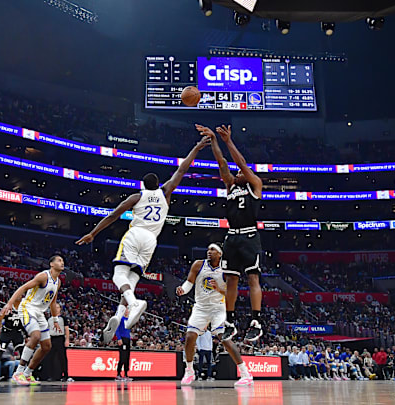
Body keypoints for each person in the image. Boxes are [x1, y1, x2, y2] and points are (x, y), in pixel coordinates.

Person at [76, 136, 212, 342]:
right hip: (151, 240)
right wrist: (197, 147)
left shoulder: (137, 197)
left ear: (143, 184)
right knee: (132, 280)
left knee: (118, 276)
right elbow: (182, 169)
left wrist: (93, 233)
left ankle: (132, 304)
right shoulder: (166, 192)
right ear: (158, 184)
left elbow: (113, 215)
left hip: (135, 233)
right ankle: (118, 315)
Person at [196, 124, 264, 342]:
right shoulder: (231, 187)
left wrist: (228, 141)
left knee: (252, 278)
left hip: (249, 236)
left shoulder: (255, 185)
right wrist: (214, 140)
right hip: (232, 237)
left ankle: (256, 321)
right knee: (231, 280)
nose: (236, 172)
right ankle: (230, 322)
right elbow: (222, 162)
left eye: (240, 171)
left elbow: (240, 163)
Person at [176, 243, 253, 386]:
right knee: (190, 336)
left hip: (218, 308)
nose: (209, 251)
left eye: (213, 250)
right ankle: (189, 371)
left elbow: (232, 294)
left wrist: (218, 288)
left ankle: (245, 374)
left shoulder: (226, 270)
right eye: (209, 249)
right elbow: (188, 283)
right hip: (201, 307)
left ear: (220, 254)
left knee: (224, 339)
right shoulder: (198, 265)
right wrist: (183, 290)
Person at [2, 255, 64, 386]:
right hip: (27, 308)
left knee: (47, 346)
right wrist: (9, 303)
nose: (62, 262)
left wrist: (55, 319)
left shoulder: (58, 282)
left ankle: (28, 373)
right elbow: (23, 288)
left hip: (40, 312)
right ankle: (18, 372)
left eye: (63, 261)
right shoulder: (43, 276)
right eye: (59, 260)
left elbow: (53, 302)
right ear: (52, 264)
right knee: (35, 336)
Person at [0, 305, 27, 383]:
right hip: (6, 332)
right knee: (0, 352)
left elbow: (24, 323)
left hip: (17, 331)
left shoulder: (23, 308)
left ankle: (25, 374)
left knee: (24, 353)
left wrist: (27, 335)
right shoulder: (7, 308)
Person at [47, 302, 71, 382]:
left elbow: (66, 329)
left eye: (57, 307)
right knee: (51, 358)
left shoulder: (63, 318)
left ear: (60, 309)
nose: (56, 309)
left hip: (60, 338)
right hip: (51, 338)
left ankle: (65, 375)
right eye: (54, 307)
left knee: (62, 358)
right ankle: (52, 375)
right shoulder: (49, 319)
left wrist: (67, 339)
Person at [115, 308, 131, 382]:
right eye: (126, 310)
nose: (127, 311)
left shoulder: (129, 320)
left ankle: (126, 374)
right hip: (122, 339)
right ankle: (118, 374)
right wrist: (119, 338)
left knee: (127, 357)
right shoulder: (121, 319)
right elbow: (117, 329)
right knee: (122, 357)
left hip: (128, 340)